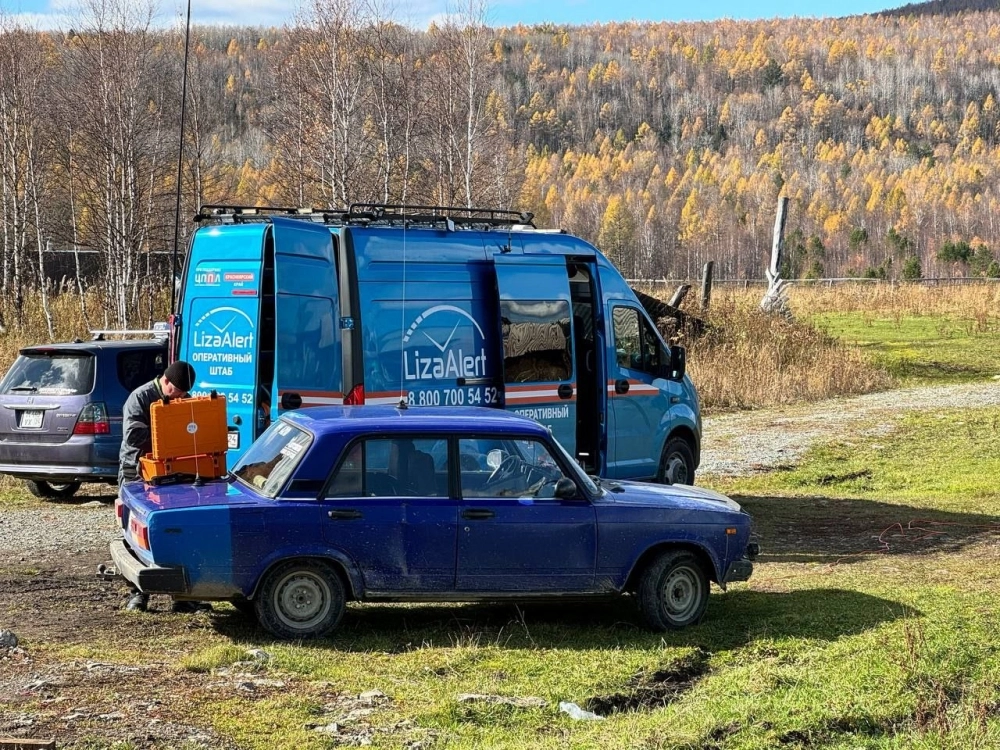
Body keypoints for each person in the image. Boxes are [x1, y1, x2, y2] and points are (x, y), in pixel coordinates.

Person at [118, 361, 207, 614]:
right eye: (178, 391)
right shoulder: (139, 398)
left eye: (184, 393)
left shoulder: (182, 399)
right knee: (135, 534)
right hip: (136, 472)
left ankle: (182, 596)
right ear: (166, 381)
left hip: (171, 474)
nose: (181, 397)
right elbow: (133, 436)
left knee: (176, 532)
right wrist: (166, 427)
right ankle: (137, 595)